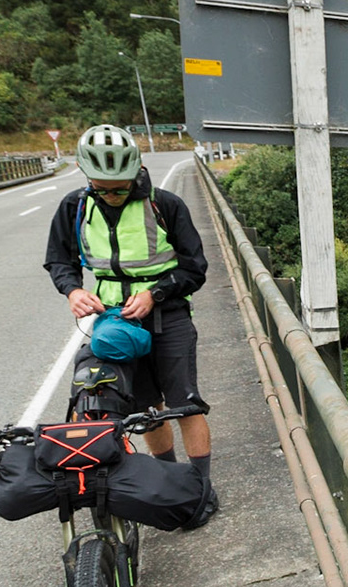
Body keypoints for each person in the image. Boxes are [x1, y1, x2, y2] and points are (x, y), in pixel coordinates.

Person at [45, 123, 219, 517]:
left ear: (137, 172)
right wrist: (72, 290)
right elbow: (59, 259)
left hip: (168, 316)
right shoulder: (75, 207)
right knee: (147, 408)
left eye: (120, 188)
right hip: (115, 321)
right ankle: (168, 483)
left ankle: (200, 490)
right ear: (84, 175)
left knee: (185, 404)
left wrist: (154, 294)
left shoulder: (165, 204)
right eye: (102, 188)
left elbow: (196, 268)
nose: (111, 196)